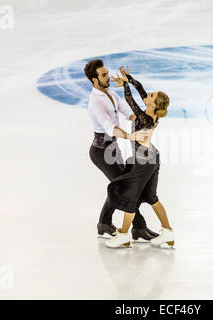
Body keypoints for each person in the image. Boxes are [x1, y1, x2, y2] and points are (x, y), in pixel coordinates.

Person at [84, 59, 159, 240]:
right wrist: (132, 136)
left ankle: (105, 223)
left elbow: (126, 108)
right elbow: (111, 128)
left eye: (107, 73)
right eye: (103, 75)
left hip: (112, 148)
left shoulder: (108, 92)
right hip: (101, 152)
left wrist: (140, 119)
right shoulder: (96, 102)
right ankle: (139, 227)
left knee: (121, 186)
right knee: (125, 188)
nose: (108, 77)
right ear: (94, 80)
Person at [104, 65, 175, 249]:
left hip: (143, 162)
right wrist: (130, 78)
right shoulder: (152, 112)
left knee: (130, 198)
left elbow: (130, 100)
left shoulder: (144, 118)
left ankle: (123, 235)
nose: (148, 95)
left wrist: (126, 85)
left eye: (151, 96)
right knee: (152, 197)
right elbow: (141, 89)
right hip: (152, 157)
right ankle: (167, 231)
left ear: (153, 104)